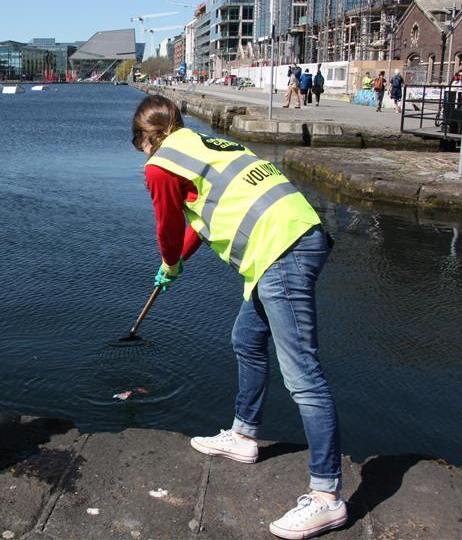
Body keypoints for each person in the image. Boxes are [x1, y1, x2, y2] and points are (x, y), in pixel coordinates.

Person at [131, 95, 344, 540]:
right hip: (297, 234)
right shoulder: (206, 144)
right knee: (246, 338)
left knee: (303, 377)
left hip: (280, 250)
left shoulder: (160, 164)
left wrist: (170, 262)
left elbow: (168, 227)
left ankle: (327, 497)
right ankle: (244, 437)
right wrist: (181, 260)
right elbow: (201, 221)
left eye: (139, 147)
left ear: (146, 139)